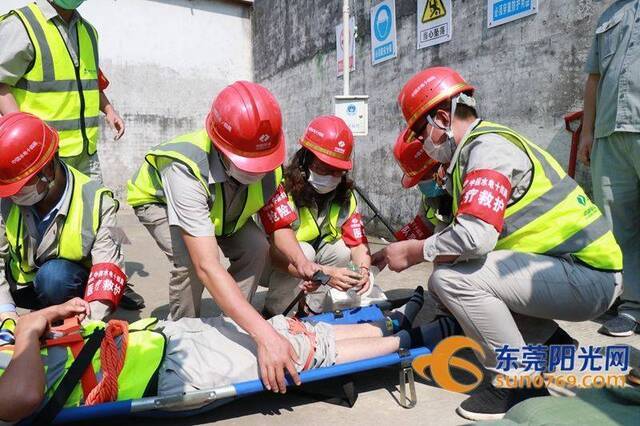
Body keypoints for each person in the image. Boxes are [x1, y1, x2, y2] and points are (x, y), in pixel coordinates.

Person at [372, 67, 624, 421]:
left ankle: (518, 381)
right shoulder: (473, 155)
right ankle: (553, 348)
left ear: (442, 118)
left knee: (450, 279)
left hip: (588, 276)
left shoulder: (487, 149)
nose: (421, 142)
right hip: (570, 270)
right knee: (462, 273)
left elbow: (475, 237)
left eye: (419, 131)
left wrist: (414, 252)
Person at [127, 80, 330, 390]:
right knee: (188, 262)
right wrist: (266, 334)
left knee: (255, 246)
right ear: (219, 146)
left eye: (262, 163)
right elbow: (207, 265)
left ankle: (234, 322)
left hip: (221, 205)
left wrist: (302, 262)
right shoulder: (184, 168)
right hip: (161, 202)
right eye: (248, 162)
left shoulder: (268, 166)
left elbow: (278, 226)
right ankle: (186, 336)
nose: (257, 171)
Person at [0, 290, 458, 423]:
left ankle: (386, 324)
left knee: (281, 331)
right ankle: (413, 339)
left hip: (154, 338)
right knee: (298, 352)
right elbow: (20, 398)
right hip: (169, 373)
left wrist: (48, 315)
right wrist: (29, 329)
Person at [0, 112, 130, 322]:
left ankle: (65, 317)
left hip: (68, 286)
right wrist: (6, 312)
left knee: (54, 278)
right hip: (24, 286)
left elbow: (108, 267)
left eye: (20, 187)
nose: (13, 196)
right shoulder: (6, 197)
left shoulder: (97, 201)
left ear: (48, 170)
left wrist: (89, 324)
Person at [0, 0, 125, 180]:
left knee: (95, 205)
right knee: (51, 209)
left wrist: (109, 110)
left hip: (86, 154)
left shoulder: (88, 32)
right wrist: (25, 138)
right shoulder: (21, 26)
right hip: (43, 157)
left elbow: (89, 81)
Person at [264, 115, 371, 316]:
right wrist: (323, 273)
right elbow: (276, 252)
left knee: (341, 252)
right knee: (304, 252)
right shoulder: (282, 189)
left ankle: (312, 308)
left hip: (312, 263)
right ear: (304, 160)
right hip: (273, 262)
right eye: (323, 168)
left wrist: (364, 270)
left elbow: (358, 244)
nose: (331, 177)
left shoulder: (346, 196)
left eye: (337, 171)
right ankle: (277, 312)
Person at [579, 0, 640, 336]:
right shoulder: (609, 16)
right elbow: (594, 79)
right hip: (609, 134)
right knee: (617, 225)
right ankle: (631, 307)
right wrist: (587, 132)